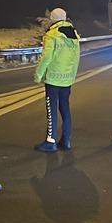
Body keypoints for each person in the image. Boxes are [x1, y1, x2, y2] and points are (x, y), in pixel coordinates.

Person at [34, 8, 81, 152]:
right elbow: (76, 58)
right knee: (65, 108)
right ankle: (66, 140)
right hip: (67, 80)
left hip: (53, 79)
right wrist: (72, 76)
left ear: (53, 19)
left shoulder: (52, 35)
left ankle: (51, 141)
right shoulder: (74, 35)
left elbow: (46, 57)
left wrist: (38, 74)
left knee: (51, 110)